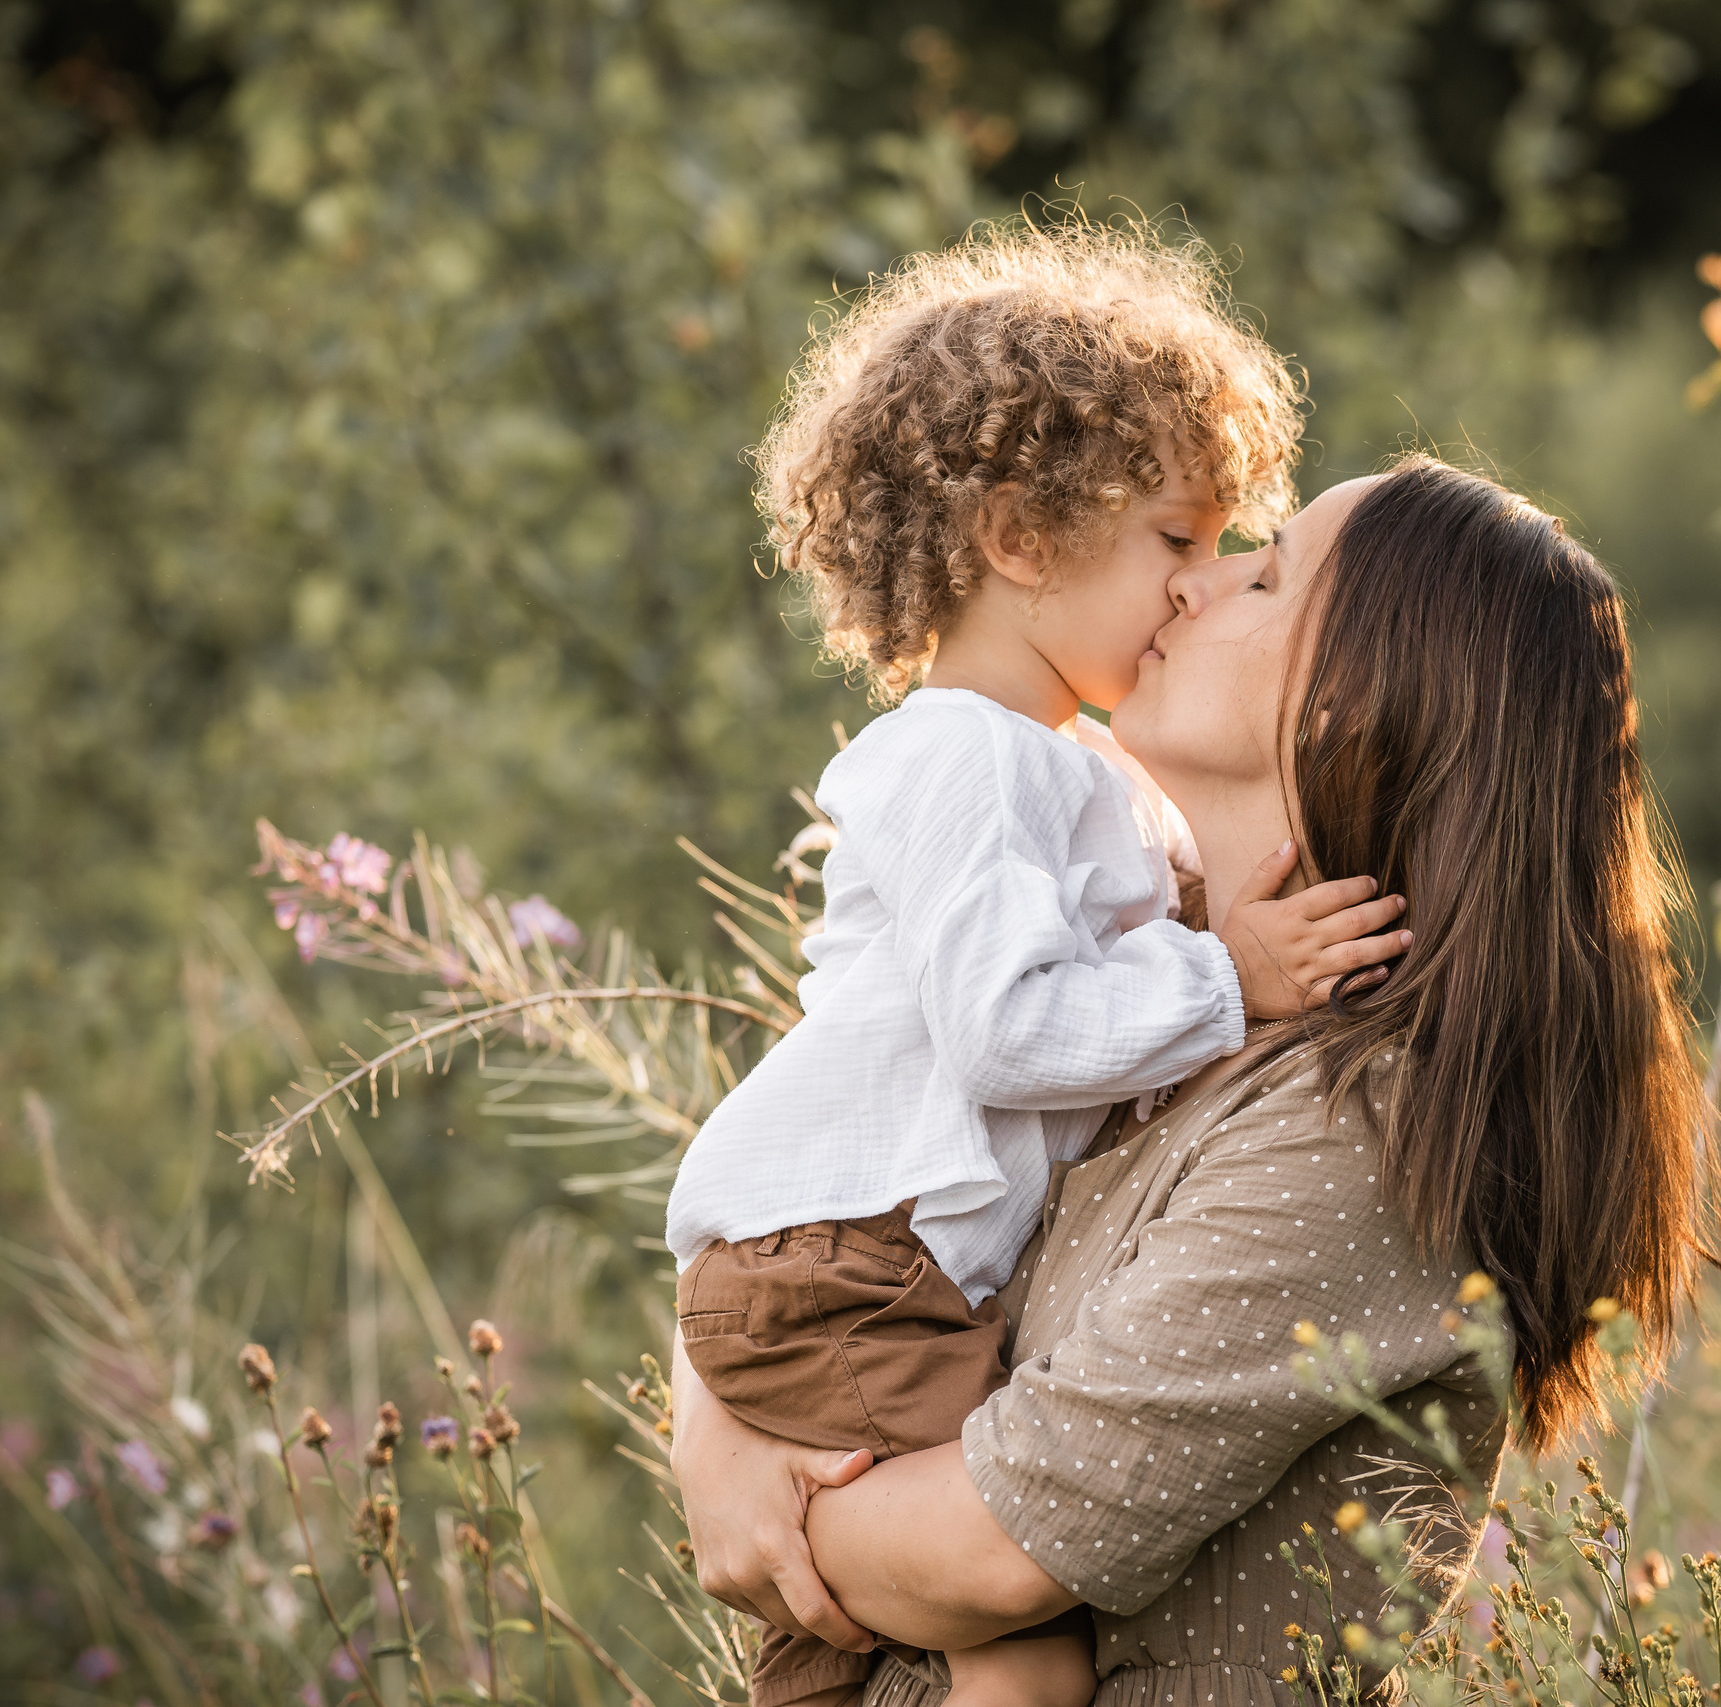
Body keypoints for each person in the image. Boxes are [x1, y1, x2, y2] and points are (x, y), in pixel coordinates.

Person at [672, 457, 1721, 1707]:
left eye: (1263, 575)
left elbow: (997, 1551)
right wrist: (710, 1428)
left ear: (1347, 705)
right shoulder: (1115, 981)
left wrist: (750, 1497)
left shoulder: (1355, 1130)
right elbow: (809, 1182)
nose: (1194, 583)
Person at [662, 222, 1415, 1707]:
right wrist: (1230, 976)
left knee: (830, 1651)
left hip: (866, 1259)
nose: (1199, 584)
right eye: (1179, 542)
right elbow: (1008, 1032)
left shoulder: (1060, 768)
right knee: (1022, 1659)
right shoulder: (969, 757)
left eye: (1232, 557)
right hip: (856, 1263)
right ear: (1018, 540)